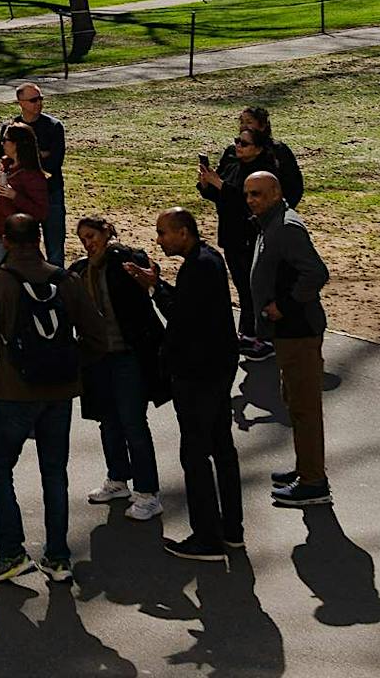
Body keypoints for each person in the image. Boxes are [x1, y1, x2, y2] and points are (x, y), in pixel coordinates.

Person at [0, 212, 100, 583]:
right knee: (54, 473)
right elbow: (96, 337)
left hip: (13, 390)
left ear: (7, 241)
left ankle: (11, 550)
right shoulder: (67, 280)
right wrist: (73, 367)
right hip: (60, 391)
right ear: (40, 238)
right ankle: (58, 557)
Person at [126, 209, 242, 561]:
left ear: (183, 232)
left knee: (195, 454)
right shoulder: (208, 260)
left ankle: (207, 537)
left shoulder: (199, 266)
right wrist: (158, 284)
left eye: (163, 232)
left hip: (198, 373)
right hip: (218, 368)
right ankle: (231, 529)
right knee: (222, 447)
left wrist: (154, 289)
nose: (159, 239)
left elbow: (181, 314)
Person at [244, 169, 332, 508]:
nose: (252, 200)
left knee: (305, 409)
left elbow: (316, 273)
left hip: (300, 333)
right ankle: (304, 469)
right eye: (249, 194)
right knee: (295, 404)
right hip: (287, 334)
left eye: (259, 194)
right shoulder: (271, 223)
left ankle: (314, 483)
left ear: (277, 193)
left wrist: (284, 305)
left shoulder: (285, 228)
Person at [70, 215, 166, 523]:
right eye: (83, 238)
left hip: (128, 355)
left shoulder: (125, 260)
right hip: (98, 357)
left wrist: (117, 252)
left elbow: (147, 270)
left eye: (92, 235)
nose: (88, 242)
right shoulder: (81, 271)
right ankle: (117, 479)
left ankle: (148, 493)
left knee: (133, 423)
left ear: (106, 232)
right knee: (107, 421)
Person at [198, 112, 302, 361]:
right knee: (243, 286)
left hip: (255, 234)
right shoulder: (232, 159)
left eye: (244, 142)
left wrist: (220, 185)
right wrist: (206, 184)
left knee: (257, 286)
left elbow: (249, 201)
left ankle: (263, 336)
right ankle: (249, 333)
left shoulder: (264, 168)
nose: (237, 146)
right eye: (238, 137)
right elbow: (220, 196)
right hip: (232, 234)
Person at [6, 82, 68, 266]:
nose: (39, 103)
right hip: (22, 195)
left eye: (40, 99)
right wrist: (40, 154)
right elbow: (8, 161)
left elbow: (54, 163)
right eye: (33, 100)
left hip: (51, 193)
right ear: (21, 102)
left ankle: (58, 289)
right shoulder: (11, 128)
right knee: (25, 248)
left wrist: (26, 157)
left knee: (55, 249)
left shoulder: (54, 127)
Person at [0, 124, 49, 265]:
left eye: (5, 140)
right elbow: (1, 195)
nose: (2, 143)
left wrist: (16, 197)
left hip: (21, 241)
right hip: (0, 233)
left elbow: (41, 212)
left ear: (17, 144)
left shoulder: (32, 175)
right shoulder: (5, 166)